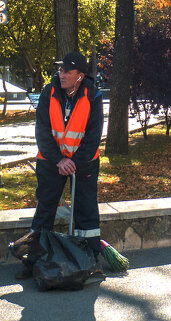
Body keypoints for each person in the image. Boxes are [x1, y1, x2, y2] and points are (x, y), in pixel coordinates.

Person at [26, 51, 104, 266]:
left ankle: (88, 260)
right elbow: (42, 131)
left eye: (67, 71)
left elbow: (93, 136)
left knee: (86, 210)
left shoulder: (93, 95)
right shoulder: (48, 92)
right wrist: (59, 160)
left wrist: (74, 163)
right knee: (45, 209)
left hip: (84, 163)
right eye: (61, 70)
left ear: (80, 76)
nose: (62, 74)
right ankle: (35, 259)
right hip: (51, 162)